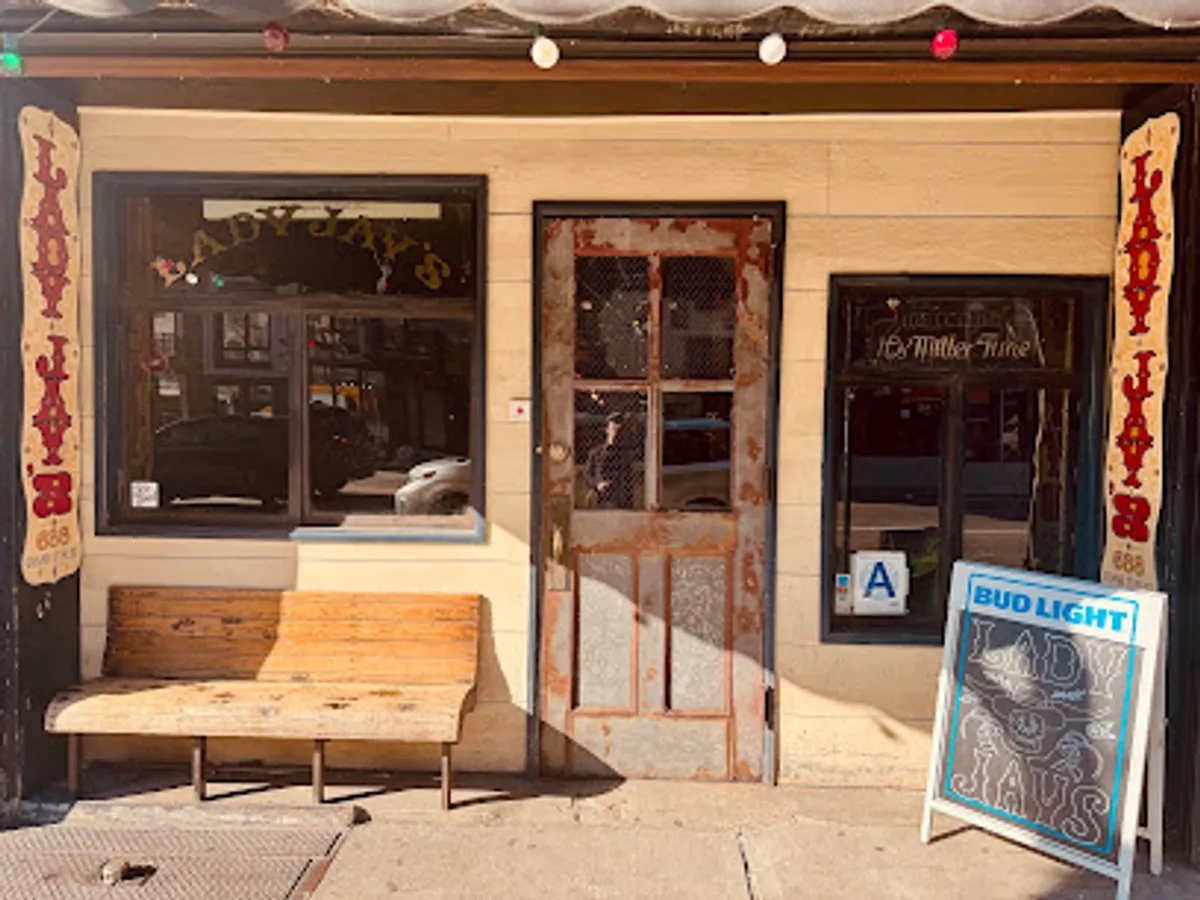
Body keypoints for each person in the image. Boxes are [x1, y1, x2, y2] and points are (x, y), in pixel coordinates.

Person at [584, 412, 638, 508]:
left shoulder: (625, 454)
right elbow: (588, 475)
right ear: (607, 430)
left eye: (619, 429)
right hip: (601, 499)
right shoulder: (596, 453)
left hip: (620, 500)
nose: (616, 432)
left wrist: (628, 503)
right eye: (614, 428)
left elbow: (628, 480)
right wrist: (598, 484)